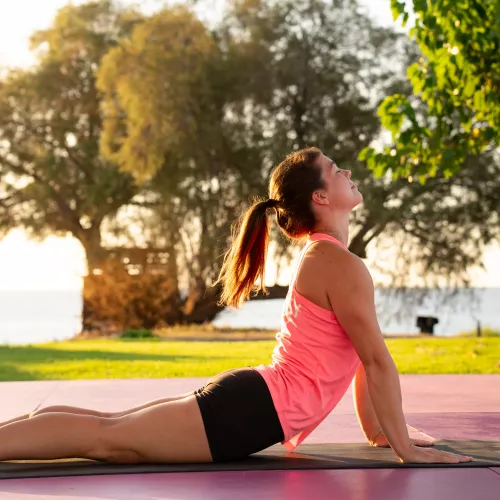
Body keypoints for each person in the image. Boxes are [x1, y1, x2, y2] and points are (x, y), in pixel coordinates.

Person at [0, 147, 472, 465]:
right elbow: (375, 359)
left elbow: (363, 361)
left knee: (110, 430)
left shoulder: (328, 257)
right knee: (106, 439)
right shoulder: (337, 261)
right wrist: (406, 447)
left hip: (252, 402)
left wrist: (380, 432)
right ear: (321, 197)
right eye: (335, 169)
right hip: (250, 410)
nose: (347, 170)